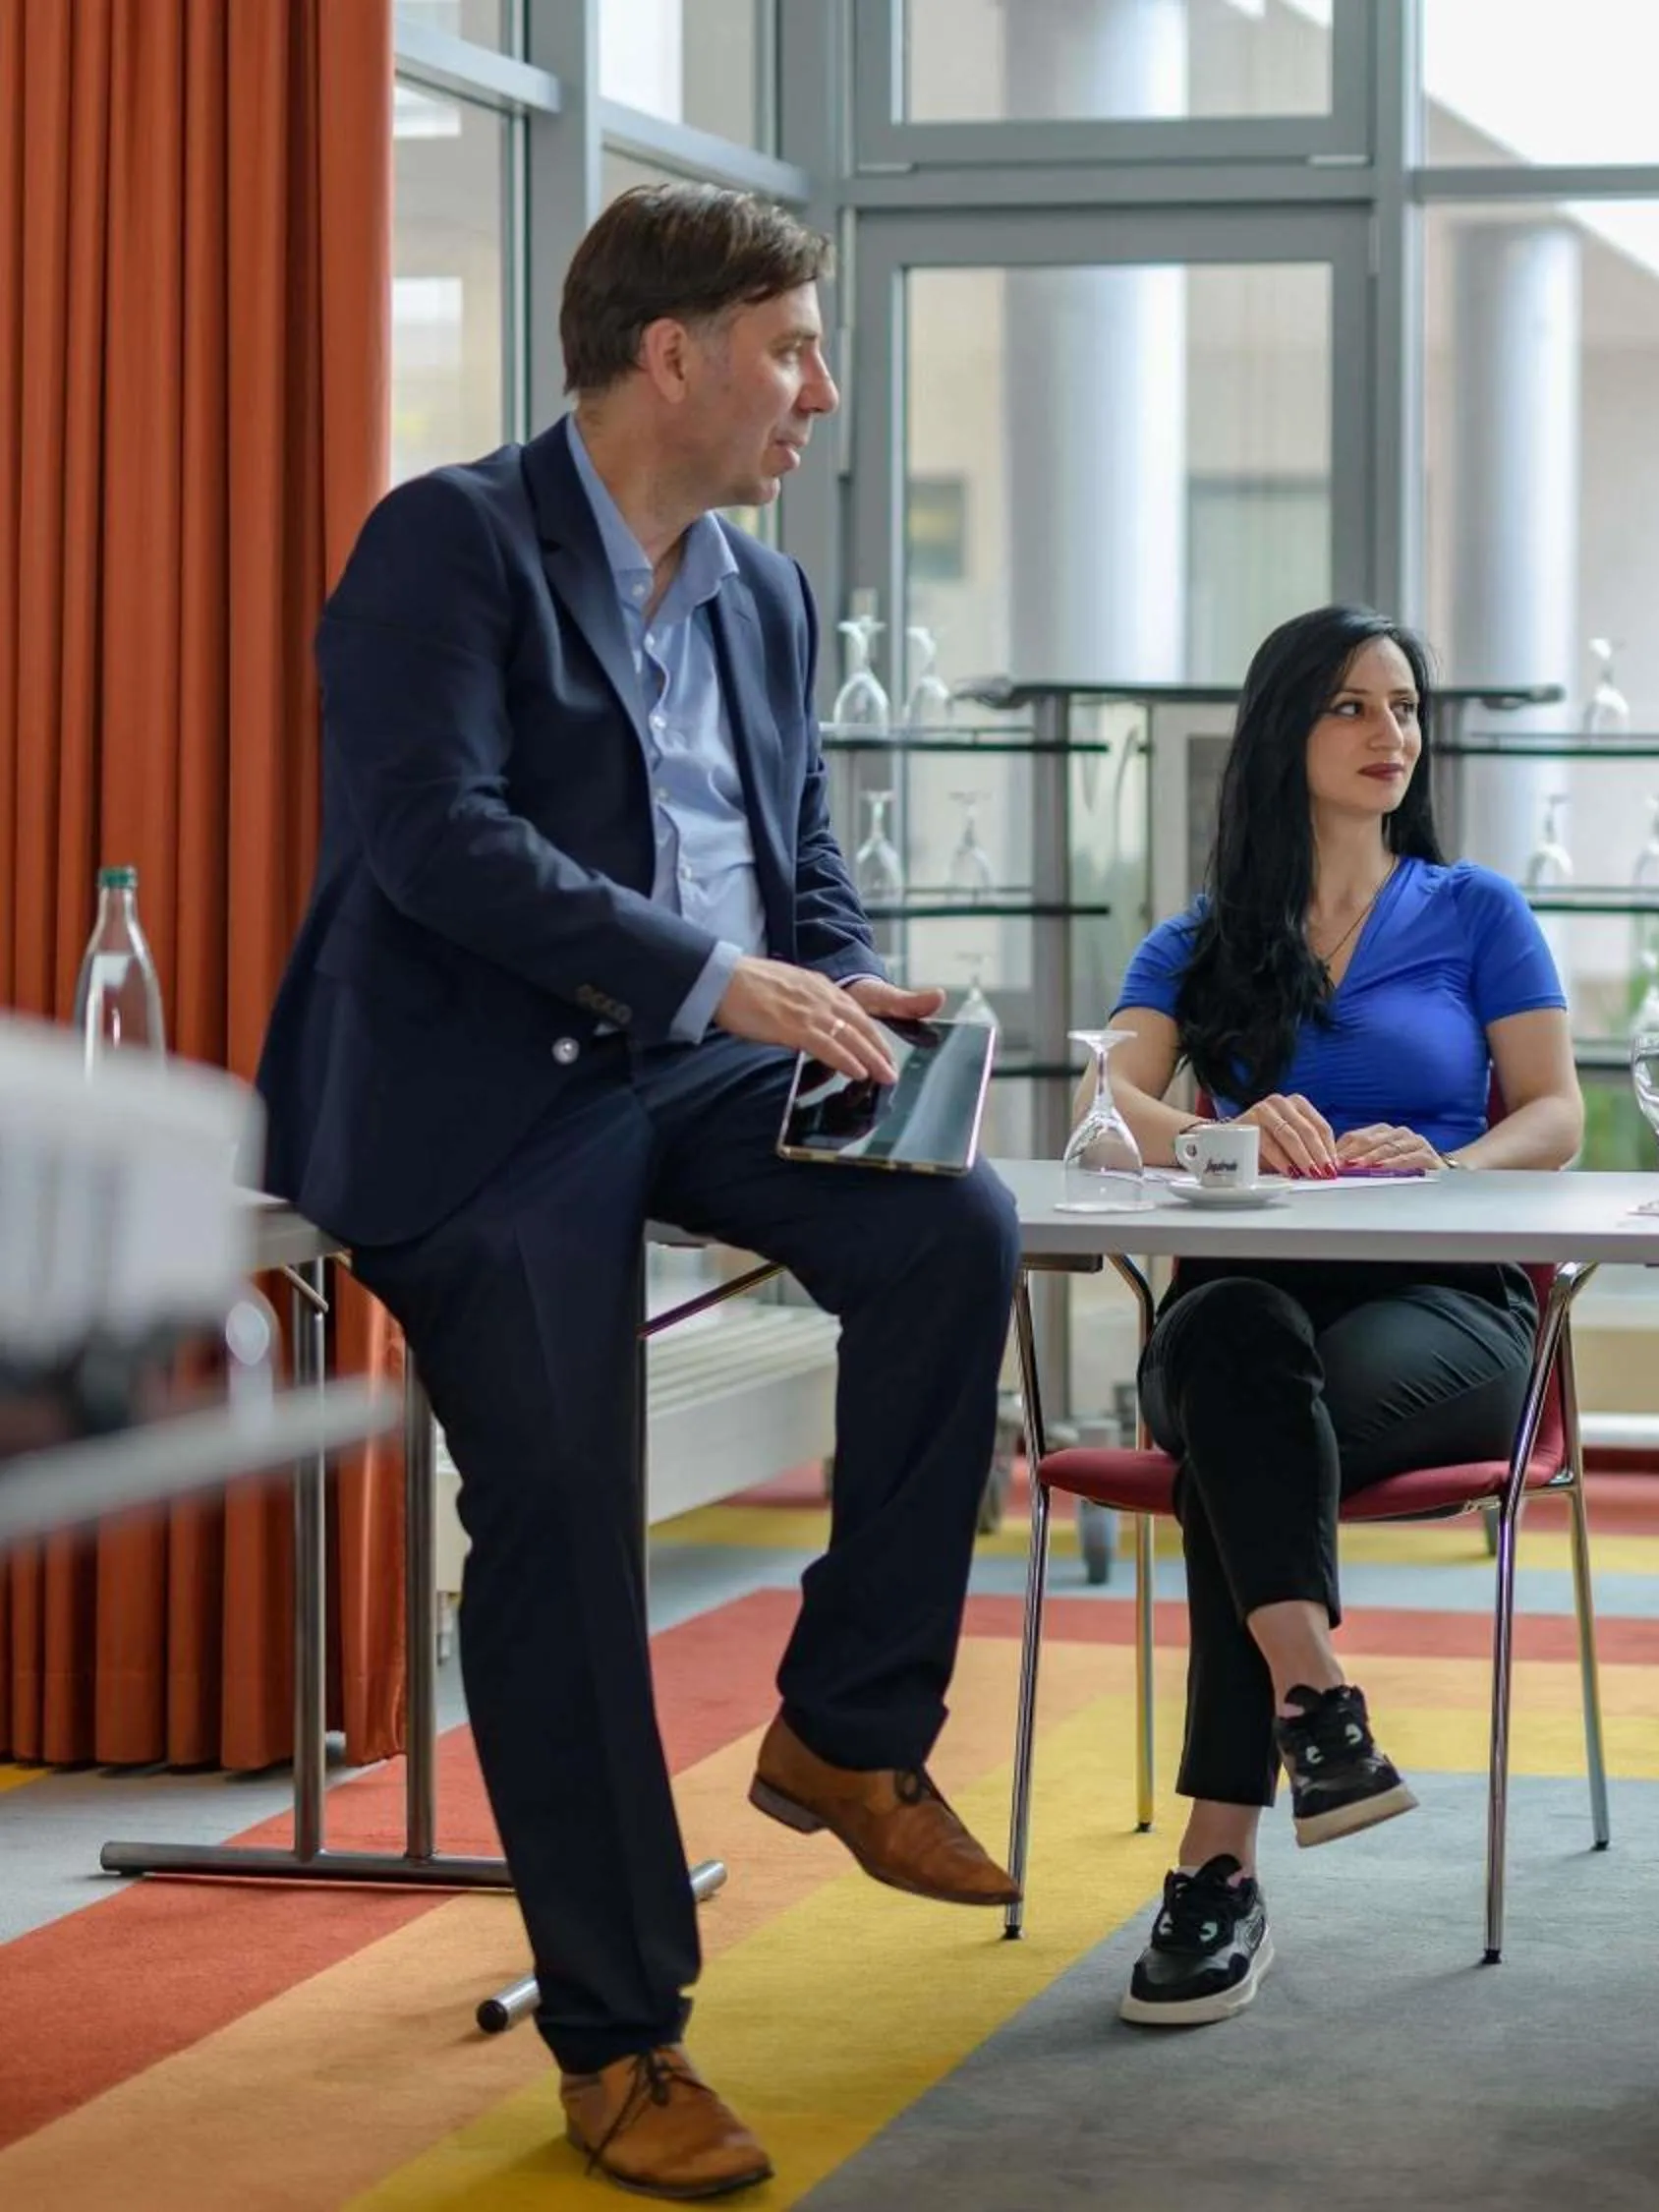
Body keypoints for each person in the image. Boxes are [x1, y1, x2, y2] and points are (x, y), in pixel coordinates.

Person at [256, 184, 1023, 2196]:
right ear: (670, 354)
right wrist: (714, 973)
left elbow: (796, 854)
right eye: (792, 348)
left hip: (692, 1064)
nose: (821, 396)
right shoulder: (453, 543)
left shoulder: (763, 600)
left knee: (956, 1231)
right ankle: (623, 2042)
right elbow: (435, 839)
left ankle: (846, 1728)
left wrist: (839, 984)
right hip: (477, 1094)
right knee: (568, 1510)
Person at [1081, 604, 1583, 2028]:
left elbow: (1557, 1111)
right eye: (1355, 706)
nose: (1392, 735)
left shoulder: (1477, 909)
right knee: (1242, 1356)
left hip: (1445, 1307)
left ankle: (1217, 1867)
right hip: (1244, 1306)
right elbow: (1101, 1102)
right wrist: (1216, 1136)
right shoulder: (1202, 936)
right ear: (1286, 728)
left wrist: (1452, 1156)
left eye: (1407, 708)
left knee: (1245, 1456)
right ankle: (1319, 1702)